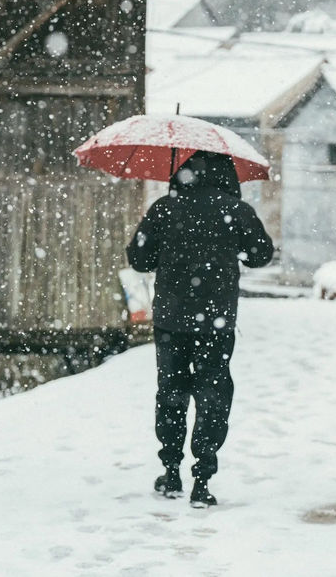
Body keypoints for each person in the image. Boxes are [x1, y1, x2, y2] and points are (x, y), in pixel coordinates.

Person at [126, 150, 274, 508]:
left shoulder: (164, 208)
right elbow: (261, 254)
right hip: (216, 320)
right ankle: (203, 479)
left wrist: (167, 233)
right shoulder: (235, 210)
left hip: (170, 321)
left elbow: (138, 259)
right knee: (213, 394)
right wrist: (230, 247)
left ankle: (172, 471)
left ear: (182, 172)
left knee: (172, 393)